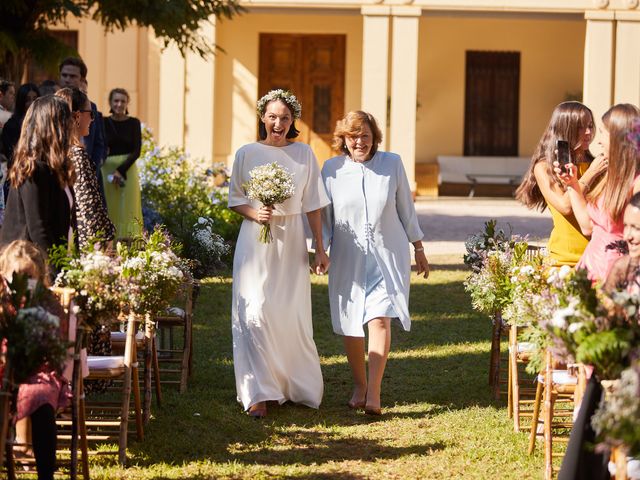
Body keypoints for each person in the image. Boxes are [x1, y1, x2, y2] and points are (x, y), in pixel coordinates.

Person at [228, 89, 330, 418]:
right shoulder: (246, 153)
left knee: (288, 312)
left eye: (285, 118)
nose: (279, 123)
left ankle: (290, 384)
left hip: (292, 240)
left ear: (292, 121)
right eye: (273, 116)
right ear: (262, 118)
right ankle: (258, 391)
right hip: (255, 241)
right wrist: (255, 213)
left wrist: (319, 247)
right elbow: (235, 198)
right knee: (254, 309)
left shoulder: (304, 154)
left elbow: (312, 203)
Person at [321, 111, 429, 415]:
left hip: (387, 255)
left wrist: (418, 246)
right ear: (343, 139)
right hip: (348, 258)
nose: (359, 142)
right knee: (351, 323)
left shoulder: (391, 164)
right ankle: (359, 384)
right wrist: (319, 250)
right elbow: (325, 217)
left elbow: (406, 209)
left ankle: (375, 392)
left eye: (365, 136)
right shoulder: (331, 170)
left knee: (381, 318)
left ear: (374, 138)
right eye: (353, 136)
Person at [0, 240, 71, 480]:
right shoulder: (3, 300)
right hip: (4, 367)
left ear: (39, 276)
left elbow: (57, 342)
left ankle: (45, 472)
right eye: (17, 276)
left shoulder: (47, 303)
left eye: (29, 276)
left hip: (39, 370)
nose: (23, 282)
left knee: (40, 396)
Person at [516, 102, 606, 266]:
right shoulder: (544, 167)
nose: (588, 132)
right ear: (565, 129)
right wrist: (591, 173)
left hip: (598, 259)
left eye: (590, 126)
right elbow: (565, 207)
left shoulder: (599, 164)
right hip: (564, 261)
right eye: (580, 127)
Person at [557, 103, 640, 281]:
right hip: (590, 268)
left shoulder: (637, 182)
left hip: (615, 275)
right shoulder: (611, 174)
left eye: (603, 133)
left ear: (619, 138)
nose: (599, 140)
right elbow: (587, 226)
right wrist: (572, 184)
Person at [0, 95, 76, 254]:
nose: (72, 123)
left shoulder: (57, 168)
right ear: (55, 125)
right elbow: (38, 229)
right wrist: (58, 272)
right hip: (28, 266)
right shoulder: (33, 169)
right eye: (68, 118)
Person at [55, 88, 115, 247]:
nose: (93, 120)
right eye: (91, 114)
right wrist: (105, 240)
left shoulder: (58, 150)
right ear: (78, 116)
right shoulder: (77, 155)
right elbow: (88, 207)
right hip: (85, 243)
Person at [59, 57, 107, 201]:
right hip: (60, 175)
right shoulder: (49, 105)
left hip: (87, 175)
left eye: (72, 76)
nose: (67, 79)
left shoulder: (90, 107)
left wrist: (91, 167)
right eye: (64, 75)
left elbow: (99, 143)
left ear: (82, 79)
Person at [102, 88, 143, 238]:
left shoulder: (134, 123)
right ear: (110, 103)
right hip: (106, 171)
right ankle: (108, 244)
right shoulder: (103, 122)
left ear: (127, 103)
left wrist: (121, 170)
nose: (119, 104)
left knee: (129, 208)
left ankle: (129, 247)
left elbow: (137, 151)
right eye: (116, 101)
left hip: (128, 170)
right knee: (109, 207)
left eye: (123, 101)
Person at [1, 83, 40, 170]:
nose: (32, 103)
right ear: (21, 102)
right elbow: (11, 155)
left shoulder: (45, 123)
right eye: (27, 100)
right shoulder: (11, 126)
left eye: (35, 99)